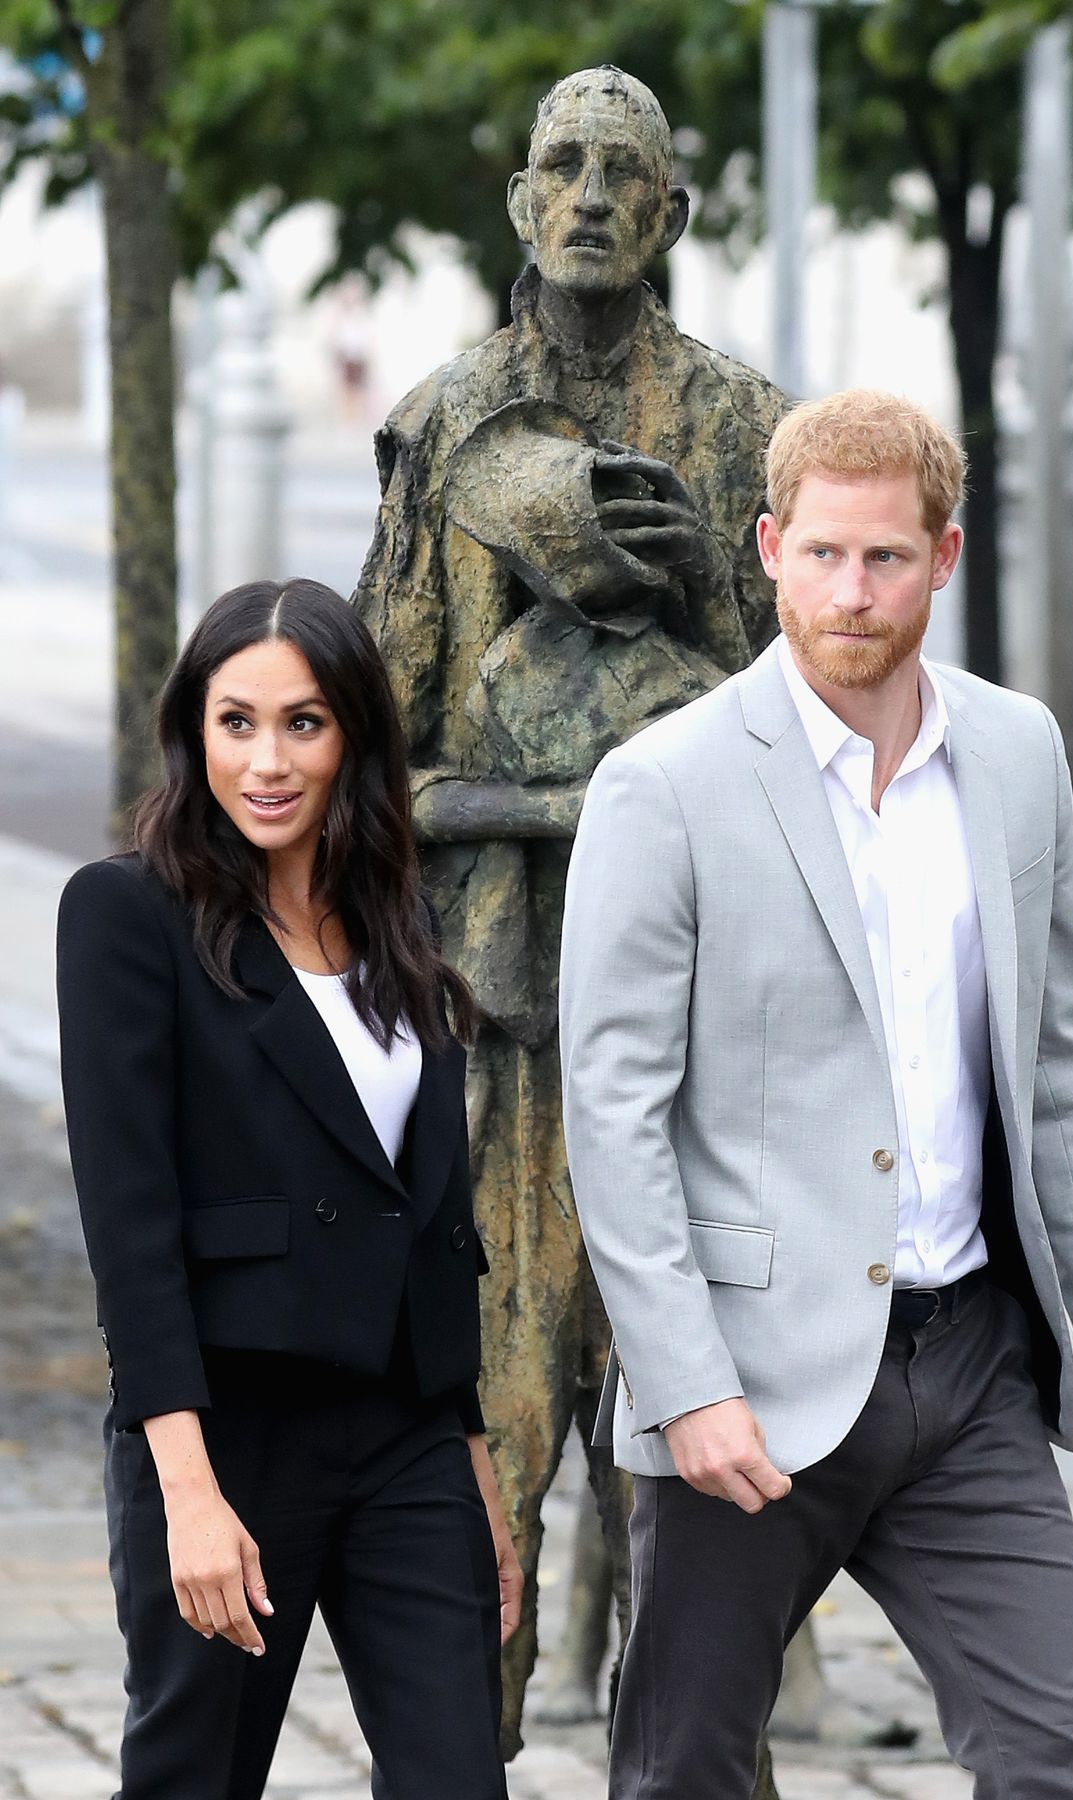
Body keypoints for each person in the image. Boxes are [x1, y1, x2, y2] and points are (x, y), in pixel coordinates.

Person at [559, 390, 1073, 1800]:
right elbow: (613, 1116)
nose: (853, 593)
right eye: (825, 555)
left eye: (886, 559)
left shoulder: (1016, 757)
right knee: (686, 1775)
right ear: (770, 547)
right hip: (748, 1382)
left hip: (969, 1364)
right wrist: (685, 1384)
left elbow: (1061, 1054)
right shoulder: (664, 786)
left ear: (944, 559)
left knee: (1065, 1765)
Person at [354, 63, 787, 1731]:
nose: (592, 193)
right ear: (524, 202)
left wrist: (696, 587)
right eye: (562, 165)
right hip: (498, 1021)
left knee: (697, 1477)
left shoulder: (745, 424)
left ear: (669, 213)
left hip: (701, 1032)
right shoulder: (453, 418)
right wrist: (563, 801)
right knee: (488, 1446)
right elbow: (375, 747)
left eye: (625, 171)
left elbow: (797, 730)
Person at [56, 578, 519, 1800]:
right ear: (193, 731)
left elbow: (432, 1210)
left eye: (304, 723)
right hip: (225, 1428)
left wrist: (467, 1445)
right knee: (196, 1779)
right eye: (237, 722)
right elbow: (130, 1223)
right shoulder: (125, 915)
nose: (268, 760)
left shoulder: (398, 919)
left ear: (353, 734)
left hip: (404, 1432)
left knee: (461, 1777)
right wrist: (187, 1492)